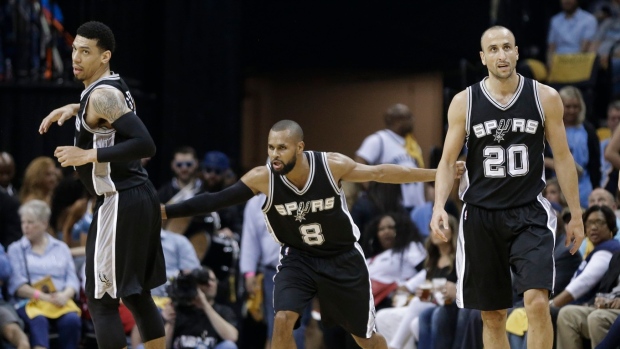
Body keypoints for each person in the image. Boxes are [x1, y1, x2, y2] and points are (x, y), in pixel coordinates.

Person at [162, 120, 463, 349]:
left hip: (342, 258)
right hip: (299, 258)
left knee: (365, 338)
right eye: (270, 147)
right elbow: (215, 200)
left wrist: (437, 173)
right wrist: (168, 211)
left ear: (300, 147)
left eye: (281, 148)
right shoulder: (263, 179)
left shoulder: (331, 166)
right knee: (282, 321)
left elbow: (382, 173)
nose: (274, 155)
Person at [430, 26, 585, 349]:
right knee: (493, 315)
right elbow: (447, 162)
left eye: (507, 47)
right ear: (483, 57)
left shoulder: (545, 97)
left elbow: (564, 157)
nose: (501, 55)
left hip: (529, 211)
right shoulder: (464, 102)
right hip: (481, 215)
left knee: (538, 303)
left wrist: (577, 214)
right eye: (494, 49)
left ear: (517, 52)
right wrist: (439, 207)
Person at [38, 21, 166, 349]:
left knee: (101, 301)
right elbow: (108, 119)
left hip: (119, 199)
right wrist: (74, 109)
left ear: (104, 56)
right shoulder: (106, 88)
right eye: (74, 50)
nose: (76, 58)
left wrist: (87, 154)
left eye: (85, 51)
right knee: (136, 295)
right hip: (138, 196)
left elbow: (145, 144)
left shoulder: (102, 95)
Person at [8, 200, 81, 349]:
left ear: (44, 223)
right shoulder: (16, 249)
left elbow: (72, 279)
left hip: (60, 299)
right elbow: (17, 285)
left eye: (31, 222)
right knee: (39, 320)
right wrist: (44, 297)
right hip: (31, 300)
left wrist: (65, 295)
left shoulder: (61, 248)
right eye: (23, 222)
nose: (25, 226)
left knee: (72, 320)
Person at [239, 193, 309, 349]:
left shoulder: (305, 192)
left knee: (296, 326)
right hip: (273, 272)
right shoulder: (256, 202)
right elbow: (250, 237)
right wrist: (249, 272)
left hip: (304, 269)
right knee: (276, 326)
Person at [355, 103, 426, 212]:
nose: (412, 120)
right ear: (394, 120)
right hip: (392, 206)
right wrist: (374, 194)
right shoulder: (378, 139)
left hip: (417, 205)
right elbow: (358, 165)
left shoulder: (412, 143)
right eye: (408, 117)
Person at [163, 267, 238, 349]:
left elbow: (232, 337)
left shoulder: (223, 311)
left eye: (213, 280)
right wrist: (170, 322)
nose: (210, 284)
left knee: (229, 346)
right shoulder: (177, 309)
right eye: (204, 281)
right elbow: (161, 347)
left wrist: (205, 305)